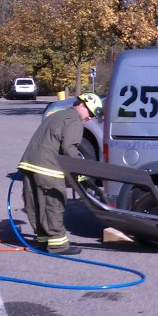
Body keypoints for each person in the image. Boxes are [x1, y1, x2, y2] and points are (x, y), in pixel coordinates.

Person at [18, 92, 104, 255]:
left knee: (37, 205)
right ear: (82, 105)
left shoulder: (57, 115)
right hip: (48, 168)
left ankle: (43, 240)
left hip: (29, 165)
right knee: (53, 205)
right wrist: (81, 173)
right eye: (90, 113)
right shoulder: (74, 121)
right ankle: (58, 245)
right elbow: (69, 149)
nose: (90, 118)